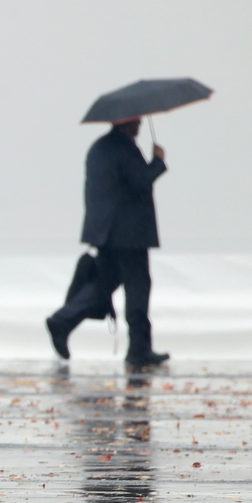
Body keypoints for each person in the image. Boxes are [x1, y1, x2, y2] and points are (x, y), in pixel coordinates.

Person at [46, 117, 169, 367]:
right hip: (129, 236)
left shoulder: (99, 147)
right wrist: (158, 161)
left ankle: (63, 320)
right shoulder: (124, 148)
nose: (139, 125)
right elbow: (140, 182)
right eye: (135, 122)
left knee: (104, 283)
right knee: (138, 287)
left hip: (106, 232)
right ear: (124, 123)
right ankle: (139, 348)